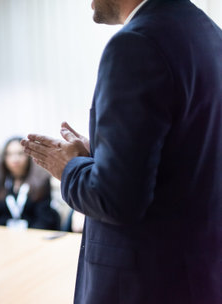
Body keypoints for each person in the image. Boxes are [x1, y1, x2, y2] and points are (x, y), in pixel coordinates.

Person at [21, 0, 222, 303]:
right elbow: (187, 154)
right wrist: (102, 153)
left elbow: (116, 199)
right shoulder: (208, 34)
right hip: (199, 275)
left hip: (145, 284)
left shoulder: (135, 44)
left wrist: (69, 167)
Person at [0, 137, 61, 230]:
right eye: (9, 154)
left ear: (28, 156)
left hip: (32, 235)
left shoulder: (41, 183)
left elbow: (44, 220)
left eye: (20, 154)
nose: (15, 159)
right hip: (3, 236)